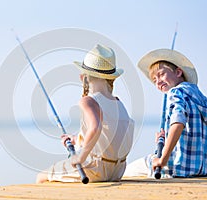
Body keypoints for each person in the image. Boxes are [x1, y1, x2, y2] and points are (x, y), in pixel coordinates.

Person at [36, 44, 134, 183]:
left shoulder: (88, 101)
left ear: (84, 77)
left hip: (95, 169)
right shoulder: (119, 103)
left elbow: (96, 127)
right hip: (117, 171)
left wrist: (80, 157)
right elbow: (108, 135)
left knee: (42, 177)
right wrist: (77, 140)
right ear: (111, 78)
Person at [125, 48, 207, 178]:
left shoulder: (175, 93)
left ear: (178, 72)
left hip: (177, 168)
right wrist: (164, 138)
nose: (158, 81)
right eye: (154, 80)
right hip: (202, 169)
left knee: (127, 171)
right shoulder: (201, 98)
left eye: (161, 74)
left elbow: (178, 123)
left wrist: (163, 160)